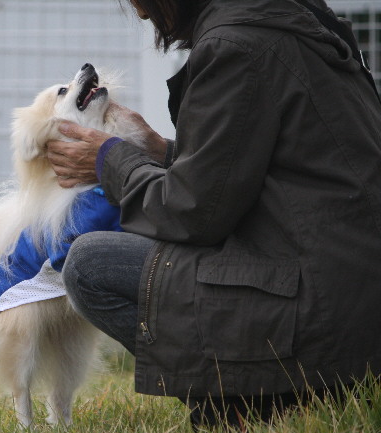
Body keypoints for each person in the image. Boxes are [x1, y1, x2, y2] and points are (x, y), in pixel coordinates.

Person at [46, 0, 381, 425]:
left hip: (318, 314)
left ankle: (250, 402)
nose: (143, 15)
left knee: (90, 264)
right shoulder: (288, 21)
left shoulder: (233, 46)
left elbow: (191, 215)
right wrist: (159, 151)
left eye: (140, 2)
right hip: (349, 297)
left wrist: (110, 160)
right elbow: (257, 174)